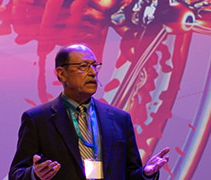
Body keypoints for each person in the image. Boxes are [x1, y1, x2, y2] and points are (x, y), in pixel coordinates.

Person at [9, 43, 169, 180]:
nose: (93, 72)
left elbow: (130, 174)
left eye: (95, 65)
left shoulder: (120, 119)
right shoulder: (38, 119)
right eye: (83, 67)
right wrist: (35, 175)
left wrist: (147, 174)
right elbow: (16, 174)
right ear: (61, 73)